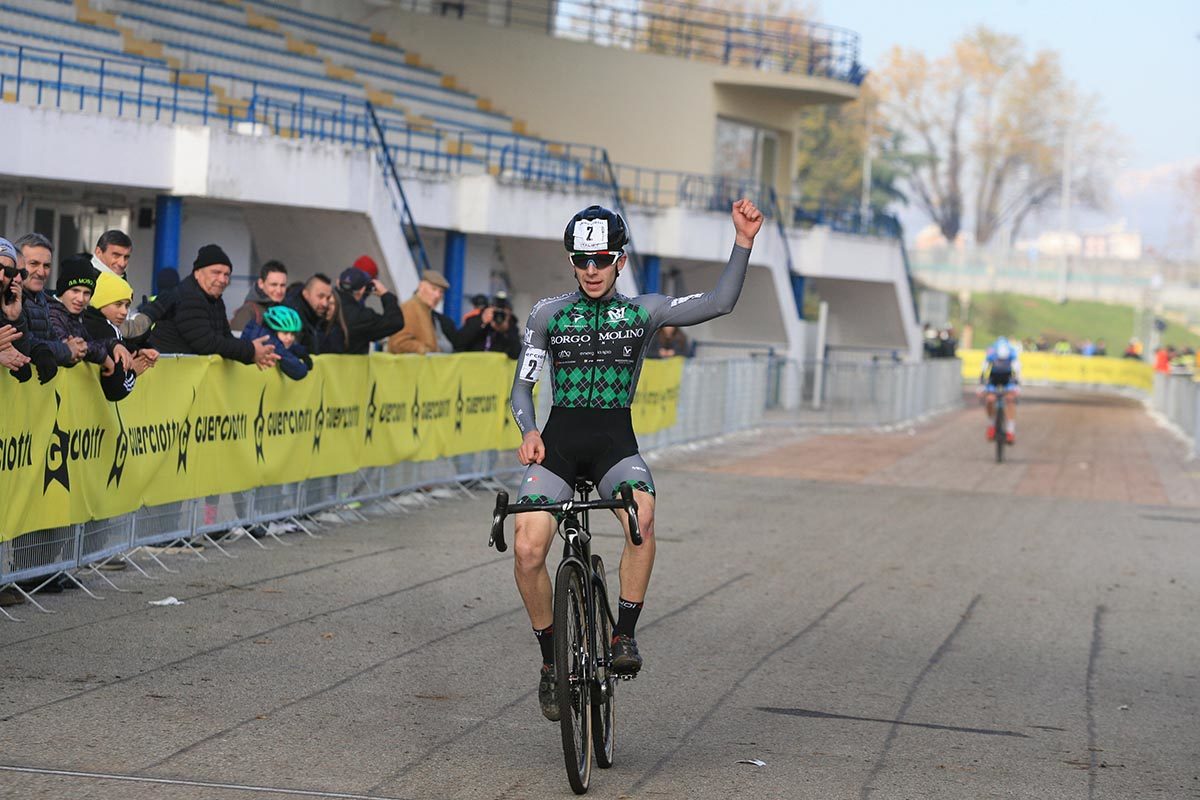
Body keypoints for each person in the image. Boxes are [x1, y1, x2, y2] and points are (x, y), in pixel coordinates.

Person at [509, 200, 762, 720]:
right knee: (527, 547)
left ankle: (623, 633)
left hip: (613, 446)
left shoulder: (643, 311)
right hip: (557, 445)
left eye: (601, 259)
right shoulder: (547, 313)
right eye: (582, 261)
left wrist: (743, 242)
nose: (591, 270)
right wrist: (530, 429)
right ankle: (550, 663)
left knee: (642, 517)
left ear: (619, 261)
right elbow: (522, 387)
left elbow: (719, 302)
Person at [149, 244, 279, 369]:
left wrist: (252, 354)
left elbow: (225, 338)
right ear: (197, 273)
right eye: (216, 272)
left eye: (226, 274)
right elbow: (207, 343)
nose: (222, 279)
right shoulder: (189, 297)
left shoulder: (214, 300)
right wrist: (251, 350)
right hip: (170, 377)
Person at [47, 254, 137, 400]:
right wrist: (103, 357)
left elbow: (89, 342)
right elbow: (69, 348)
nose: (81, 299)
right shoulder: (51, 313)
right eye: (75, 291)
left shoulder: (77, 316)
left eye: (87, 293)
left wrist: (114, 344)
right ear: (62, 290)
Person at [84, 271, 159, 376]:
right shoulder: (105, 329)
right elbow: (115, 386)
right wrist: (132, 373)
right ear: (101, 303)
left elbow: (119, 345)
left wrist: (139, 351)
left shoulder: (100, 325)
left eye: (127, 305)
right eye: (118, 304)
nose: (124, 311)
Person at [332, 267, 405, 354]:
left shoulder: (324, 303)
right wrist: (385, 294)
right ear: (362, 290)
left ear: (338, 282)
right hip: (350, 367)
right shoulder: (361, 317)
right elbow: (395, 322)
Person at [386, 270, 452, 354]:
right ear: (421, 286)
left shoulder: (424, 310)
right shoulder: (409, 309)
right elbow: (398, 343)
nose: (437, 295)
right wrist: (425, 351)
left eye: (441, 292)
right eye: (433, 289)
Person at [241, 304, 311, 381]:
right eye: (285, 333)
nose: (290, 338)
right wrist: (306, 366)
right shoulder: (270, 342)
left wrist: (303, 354)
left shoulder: (267, 335)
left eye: (293, 334)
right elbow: (298, 371)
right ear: (273, 331)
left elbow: (289, 347)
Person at [978, 336, 1021, 444]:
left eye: (1004, 360)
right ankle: (992, 426)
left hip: (1007, 377)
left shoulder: (1012, 353)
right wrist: (981, 382)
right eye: (1000, 360)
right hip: (994, 377)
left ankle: (1010, 431)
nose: (1002, 362)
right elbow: (984, 368)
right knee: (990, 399)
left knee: (1010, 399)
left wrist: (1017, 383)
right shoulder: (991, 352)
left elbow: (1017, 369)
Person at [456, 292, 520, 357]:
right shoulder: (475, 321)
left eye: (503, 313)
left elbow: (516, 353)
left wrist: (507, 331)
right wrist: (482, 322)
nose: (498, 315)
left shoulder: (511, 327)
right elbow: (459, 343)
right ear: (489, 308)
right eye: (496, 311)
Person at [285, 273, 336, 355]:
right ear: (305, 294)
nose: (325, 303)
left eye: (328, 298)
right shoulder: (292, 318)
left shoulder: (318, 318)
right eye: (320, 296)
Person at [230, 260, 288, 330]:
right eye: (273, 285)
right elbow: (237, 339)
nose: (279, 290)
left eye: (282, 285)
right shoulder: (248, 311)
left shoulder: (285, 310)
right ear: (261, 283)